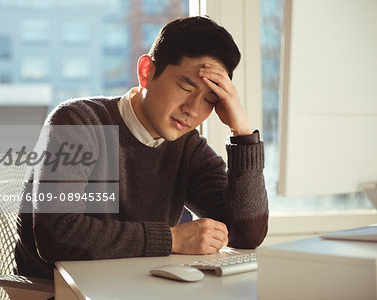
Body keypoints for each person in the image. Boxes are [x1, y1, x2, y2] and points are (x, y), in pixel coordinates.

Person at [15, 16, 268, 280]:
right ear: (147, 72)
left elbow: (245, 234)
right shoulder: (77, 121)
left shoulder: (187, 146)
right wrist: (171, 239)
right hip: (64, 292)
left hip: (143, 287)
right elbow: (56, 233)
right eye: (185, 86)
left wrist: (242, 134)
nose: (193, 110)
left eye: (209, 99)